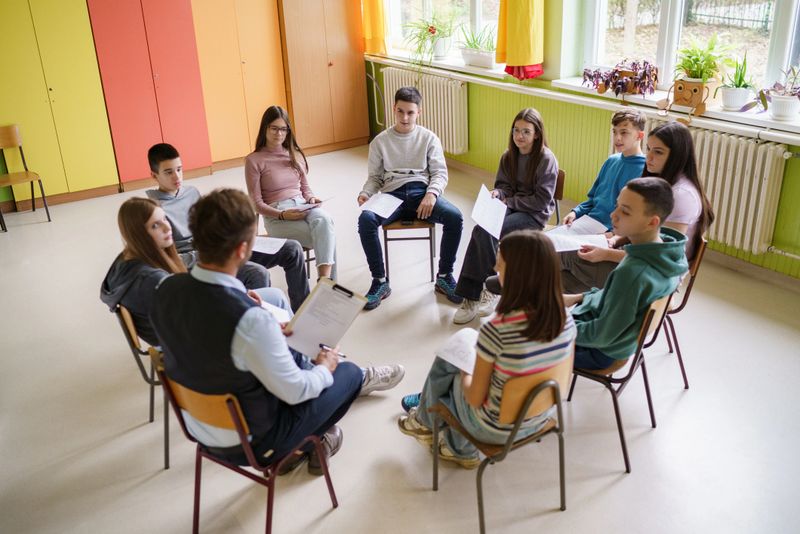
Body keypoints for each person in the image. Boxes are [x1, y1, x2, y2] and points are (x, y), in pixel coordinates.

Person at [150, 189, 403, 475]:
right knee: (348, 374)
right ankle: (306, 444)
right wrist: (325, 366)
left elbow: (208, 341)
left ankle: (313, 440)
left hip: (199, 426)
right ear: (242, 250)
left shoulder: (164, 290)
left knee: (291, 349)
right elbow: (297, 391)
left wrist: (259, 321)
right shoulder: (249, 320)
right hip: (254, 443)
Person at [397, 230, 576, 468]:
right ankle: (433, 428)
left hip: (494, 428)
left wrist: (465, 370)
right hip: (540, 417)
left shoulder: (498, 329)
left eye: (499, 265)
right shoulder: (567, 320)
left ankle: (447, 439)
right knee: (468, 359)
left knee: (451, 364)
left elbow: (473, 396)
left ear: (516, 275)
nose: (494, 269)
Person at [100, 198, 291, 346]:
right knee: (277, 299)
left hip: (179, 331)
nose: (168, 227)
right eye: (155, 225)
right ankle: (295, 353)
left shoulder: (125, 261)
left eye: (164, 218)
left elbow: (188, 306)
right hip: (188, 342)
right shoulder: (153, 280)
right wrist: (234, 302)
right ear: (138, 234)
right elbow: (198, 323)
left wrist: (232, 295)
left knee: (269, 296)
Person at [145, 143, 310, 311]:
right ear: (154, 175)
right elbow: (165, 259)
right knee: (258, 273)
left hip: (221, 248)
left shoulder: (191, 192)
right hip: (203, 263)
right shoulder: (153, 209)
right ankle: (258, 325)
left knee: (292, 249)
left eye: (179, 169)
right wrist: (205, 253)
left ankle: (301, 313)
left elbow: (209, 227)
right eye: (168, 172)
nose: (177, 176)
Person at [560, 121, 714, 293]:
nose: (649, 157)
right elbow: (644, 232)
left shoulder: (681, 195)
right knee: (557, 277)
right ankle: (553, 313)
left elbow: (660, 254)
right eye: (649, 149)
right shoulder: (665, 181)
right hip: (638, 260)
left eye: (658, 152)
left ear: (677, 156)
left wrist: (606, 253)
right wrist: (616, 239)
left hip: (652, 275)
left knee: (559, 254)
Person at [357, 86, 464, 310]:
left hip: (421, 193)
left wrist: (432, 194)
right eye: (400, 111)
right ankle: (380, 281)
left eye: (410, 112)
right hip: (391, 194)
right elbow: (375, 177)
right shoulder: (380, 141)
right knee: (366, 220)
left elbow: (440, 173)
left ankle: (444, 276)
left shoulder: (428, 138)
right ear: (393, 109)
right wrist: (366, 193)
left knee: (455, 217)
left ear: (419, 112)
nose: (405, 117)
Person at [564, 177, 688, 370]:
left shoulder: (634, 273)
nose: (613, 215)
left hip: (599, 351)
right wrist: (580, 297)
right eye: (617, 206)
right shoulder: (667, 252)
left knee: (515, 340)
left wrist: (555, 327)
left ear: (651, 222)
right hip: (613, 337)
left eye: (625, 212)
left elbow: (602, 334)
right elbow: (614, 300)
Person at [452, 108, 558, 324]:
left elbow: (541, 201)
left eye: (526, 132)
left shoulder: (547, 159)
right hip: (511, 206)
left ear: (537, 134)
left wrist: (508, 201)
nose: (520, 136)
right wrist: (498, 193)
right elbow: (504, 187)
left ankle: (491, 288)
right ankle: (472, 296)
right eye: (516, 130)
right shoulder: (508, 156)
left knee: (490, 231)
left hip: (534, 215)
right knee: (481, 229)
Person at [245, 106, 337, 280]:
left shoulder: (294, 154)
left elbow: (305, 187)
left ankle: (323, 283)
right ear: (265, 127)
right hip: (277, 216)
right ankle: (327, 286)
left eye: (283, 129)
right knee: (327, 235)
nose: (279, 134)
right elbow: (256, 203)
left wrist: (311, 198)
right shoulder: (254, 160)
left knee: (325, 221)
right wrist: (282, 215)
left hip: (303, 206)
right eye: (274, 128)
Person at [562, 108, 646, 230]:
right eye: (615, 132)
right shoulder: (611, 161)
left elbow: (636, 217)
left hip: (613, 232)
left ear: (640, 136)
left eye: (624, 133)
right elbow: (592, 200)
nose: (617, 138)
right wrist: (575, 212)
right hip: (589, 223)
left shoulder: (644, 171)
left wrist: (613, 235)